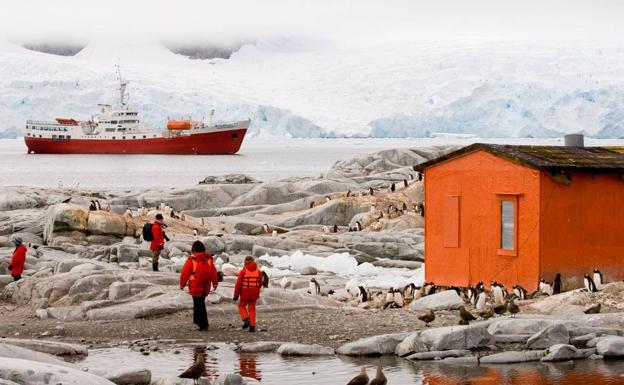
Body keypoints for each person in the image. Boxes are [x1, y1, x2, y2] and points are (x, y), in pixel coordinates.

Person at [179, 241, 219, 331]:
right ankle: (197, 321)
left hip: (195, 284)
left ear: (194, 250)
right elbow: (213, 272)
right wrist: (215, 283)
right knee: (200, 303)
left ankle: (203, 324)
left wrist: (182, 284)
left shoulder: (192, 260)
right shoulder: (208, 259)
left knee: (198, 304)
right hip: (206, 285)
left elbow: (185, 273)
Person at [234, 256, 263, 333]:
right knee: (252, 308)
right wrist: (256, 290)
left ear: (245, 262)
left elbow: (238, 284)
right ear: (253, 262)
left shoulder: (243, 271)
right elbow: (260, 283)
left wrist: (236, 295)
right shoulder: (259, 272)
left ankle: (246, 319)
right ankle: (252, 327)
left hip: (245, 292)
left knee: (241, 305)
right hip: (255, 292)